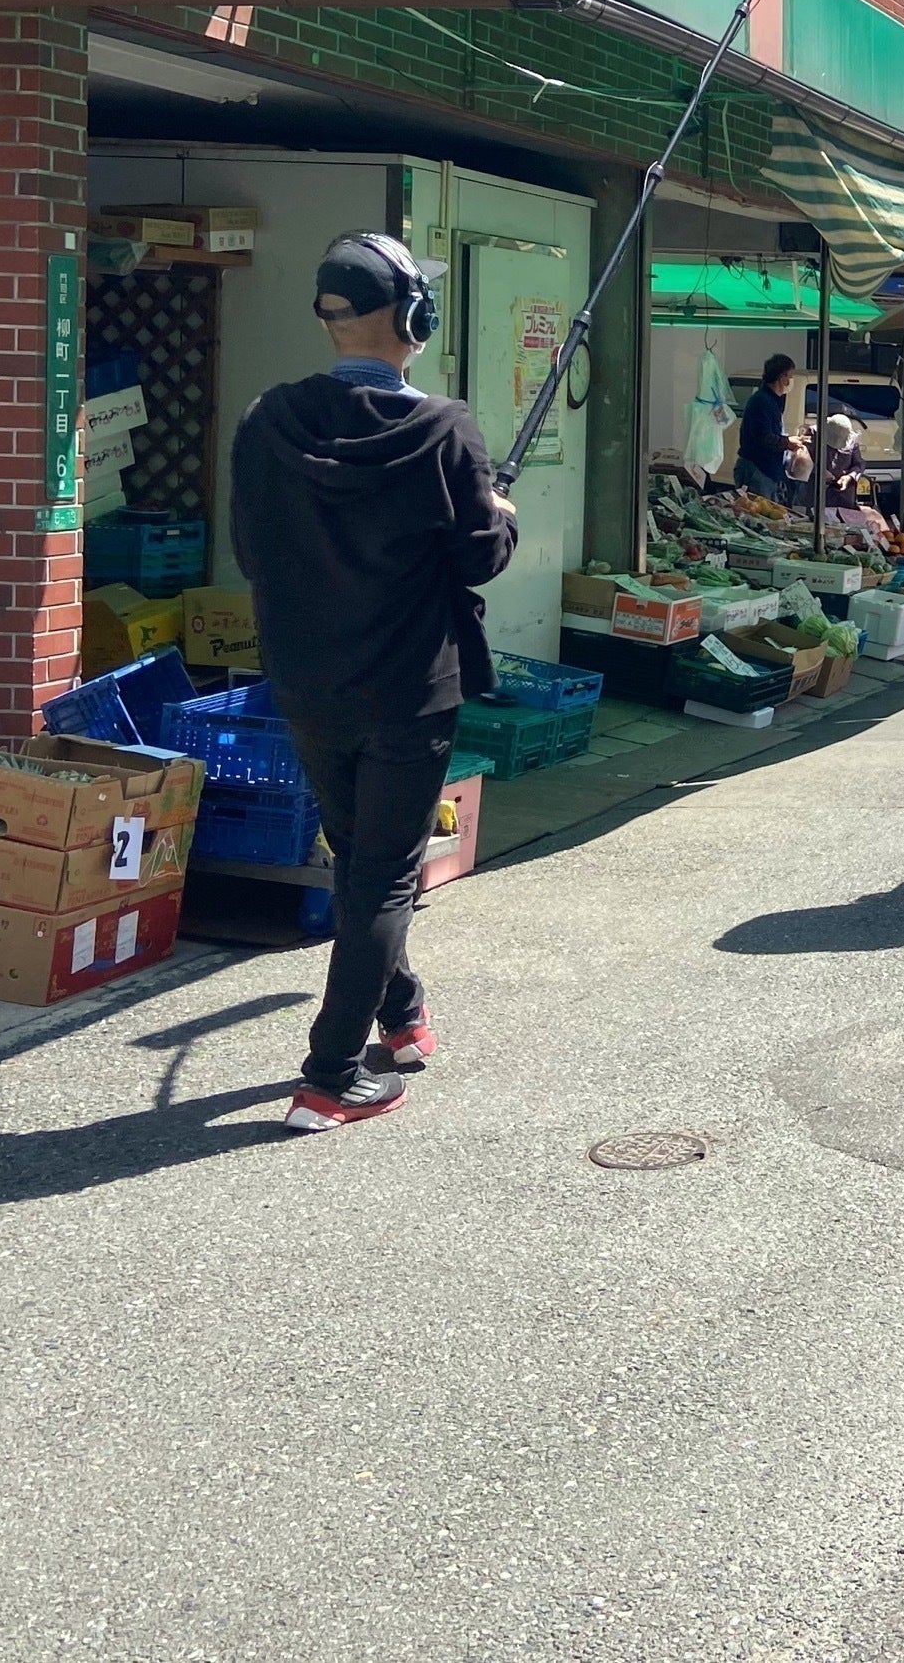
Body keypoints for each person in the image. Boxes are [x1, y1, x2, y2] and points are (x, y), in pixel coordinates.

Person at [229, 234, 518, 1133]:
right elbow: (482, 558)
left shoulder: (267, 420)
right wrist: (499, 513)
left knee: (359, 857)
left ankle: (402, 1012)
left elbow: (251, 551)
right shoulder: (444, 429)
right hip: (409, 688)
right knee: (386, 874)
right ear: (413, 318)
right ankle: (330, 1074)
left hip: (307, 682)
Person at [736, 354, 800, 503]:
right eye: (790, 376)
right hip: (757, 469)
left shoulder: (773, 400)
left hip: (769, 471)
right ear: (782, 377)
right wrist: (787, 442)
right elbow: (763, 437)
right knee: (756, 512)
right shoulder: (761, 401)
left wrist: (787, 441)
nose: (791, 381)